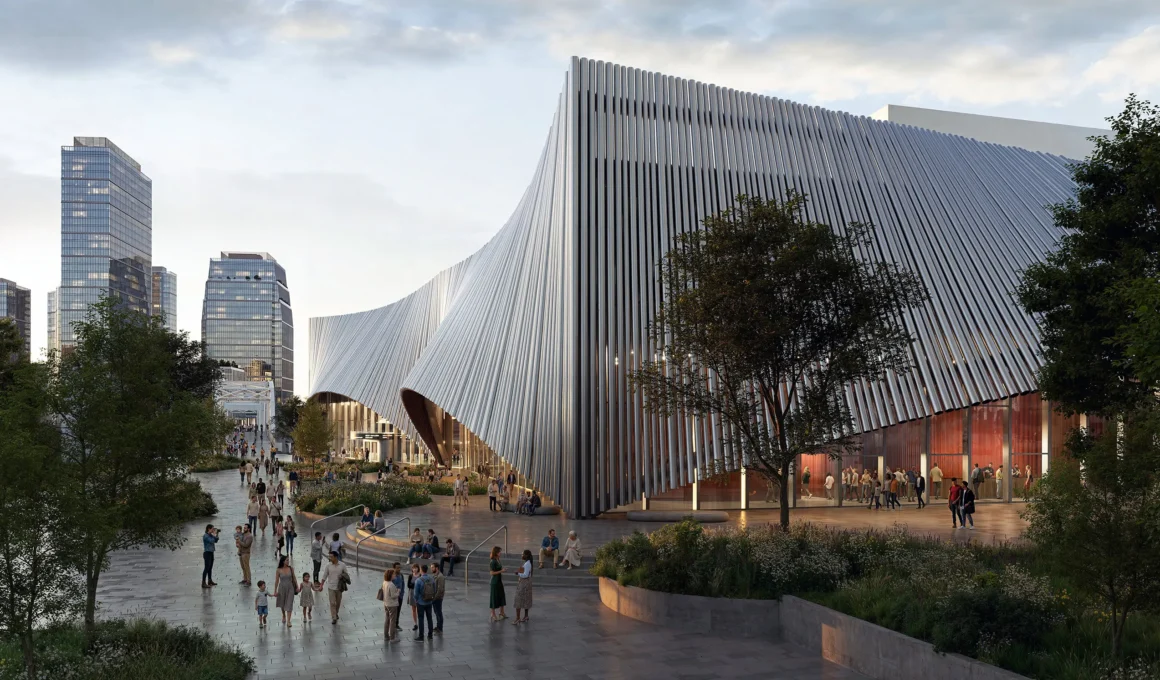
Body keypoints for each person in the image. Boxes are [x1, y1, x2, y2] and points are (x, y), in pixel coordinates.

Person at [319, 551, 349, 624]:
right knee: (332, 603)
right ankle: (334, 617)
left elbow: (347, 574)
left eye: (331, 557)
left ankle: (336, 613)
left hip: (339, 587)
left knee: (338, 603)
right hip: (331, 587)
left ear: (336, 557)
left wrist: (343, 576)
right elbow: (325, 575)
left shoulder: (342, 565)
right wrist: (321, 585)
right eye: (329, 556)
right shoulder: (328, 566)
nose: (330, 558)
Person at [274, 555, 298, 626]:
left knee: (289, 603)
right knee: (282, 603)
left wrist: (297, 586)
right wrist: (275, 591)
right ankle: (283, 615)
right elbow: (276, 581)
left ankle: (288, 621)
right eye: (287, 560)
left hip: (290, 587)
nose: (288, 562)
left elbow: (294, 578)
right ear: (283, 561)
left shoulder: (291, 568)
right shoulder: (278, 570)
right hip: (282, 588)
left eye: (288, 560)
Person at [513, 549, 533, 624]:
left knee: (518, 599)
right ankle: (526, 616)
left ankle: (517, 618)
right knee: (526, 600)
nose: (522, 555)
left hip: (524, 584)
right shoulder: (528, 563)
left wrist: (517, 573)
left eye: (522, 554)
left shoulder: (527, 564)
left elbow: (525, 575)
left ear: (526, 555)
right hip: (527, 584)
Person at [488, 546, 507, 621]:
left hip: (499, 581)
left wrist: (502, 570)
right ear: (496, 553)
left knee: (501, 595)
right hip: (494, 582)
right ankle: (493, 613)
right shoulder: (493, 561)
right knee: (494, 597)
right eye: (499, 552)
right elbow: (492, 573)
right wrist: (501, 571)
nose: (500, 553)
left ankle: (502, 612)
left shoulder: (498, 559)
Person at [382, 568, 400, 642]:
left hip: (386, 603)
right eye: (393, 574)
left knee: (387, 619)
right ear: (390, 575)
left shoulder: (384, 582)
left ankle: (386, 636)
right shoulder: (391, 584)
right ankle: (392, 637)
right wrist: (398, 592)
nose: (395, 575)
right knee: (393, 621)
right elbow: (393, 595)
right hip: (392, 604)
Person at [201, 524, 219, 589]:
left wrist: (217, 534)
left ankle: (210, 580)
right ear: (208, 529)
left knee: (210, 567)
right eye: (212, 529)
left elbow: (216, 540)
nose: (213, 530)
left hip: (211, 552)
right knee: (206, 568)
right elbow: (211, 541)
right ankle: (203, 582)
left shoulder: (211, 535)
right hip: (207, 553)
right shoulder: (205, 536)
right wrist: (214, 535)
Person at [430, 562, 446, 634]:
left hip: (438, 598)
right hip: (434, 597)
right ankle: (438, 626)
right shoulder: (434, 575)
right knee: (436, 612)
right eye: (431, 567)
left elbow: (440, 589)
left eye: (432, 567)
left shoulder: (440, 577)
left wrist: (435, 598)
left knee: (439, 613)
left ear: (437, 568)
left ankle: (440, 628)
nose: (431, 569)